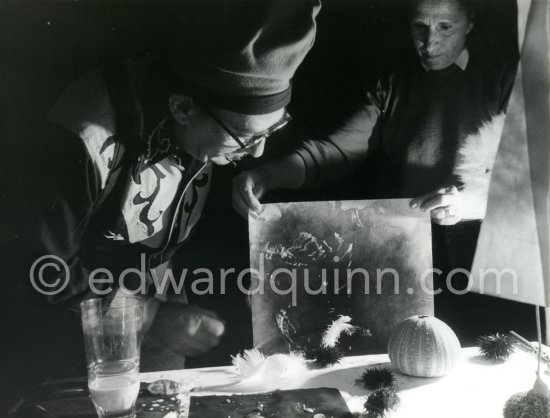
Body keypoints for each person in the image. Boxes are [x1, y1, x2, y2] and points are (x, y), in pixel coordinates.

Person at [35, 0, 321, 372]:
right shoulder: (84, 134)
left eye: (272, 130)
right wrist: (150, 316)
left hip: (160, 302)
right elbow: (41, 267)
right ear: (183, 108)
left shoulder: (213, 124)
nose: (257, 152)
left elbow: (187, 220)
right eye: (247, 137)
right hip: (67, 330)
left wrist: (252, 275)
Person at [232, 0, 518, 341]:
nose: (429, 43)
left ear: (470, 21)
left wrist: (464, 204)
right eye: (419, 27)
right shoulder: (393, 85)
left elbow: (525, 186)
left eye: (445, 26)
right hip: (409, 255)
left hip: (484, 260)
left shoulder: (504, 80)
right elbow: (335, 152)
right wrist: (267, 175)